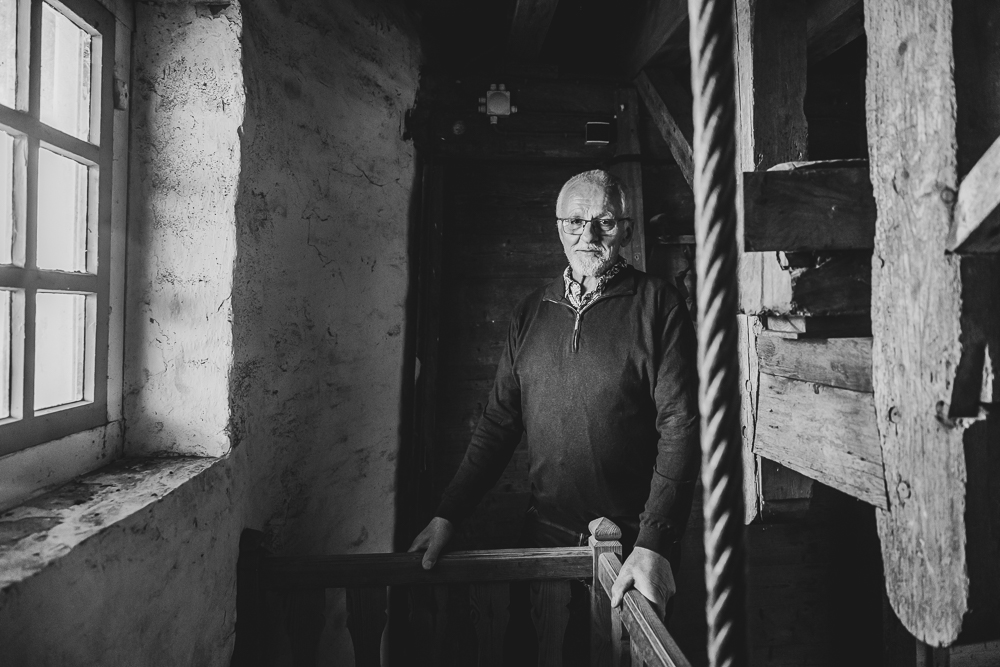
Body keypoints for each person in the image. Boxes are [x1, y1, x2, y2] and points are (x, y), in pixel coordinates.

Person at [409, 169, 699, 619]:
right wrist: (448, 514)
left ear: (626, 229)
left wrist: (655, 542)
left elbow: (681, 427)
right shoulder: (531, 312)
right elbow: (498, 423)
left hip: (631, 549)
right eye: (575, 221)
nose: (589, 235)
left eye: (604, 221)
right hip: (544, 542)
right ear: (558, 227)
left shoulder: (659, 305)